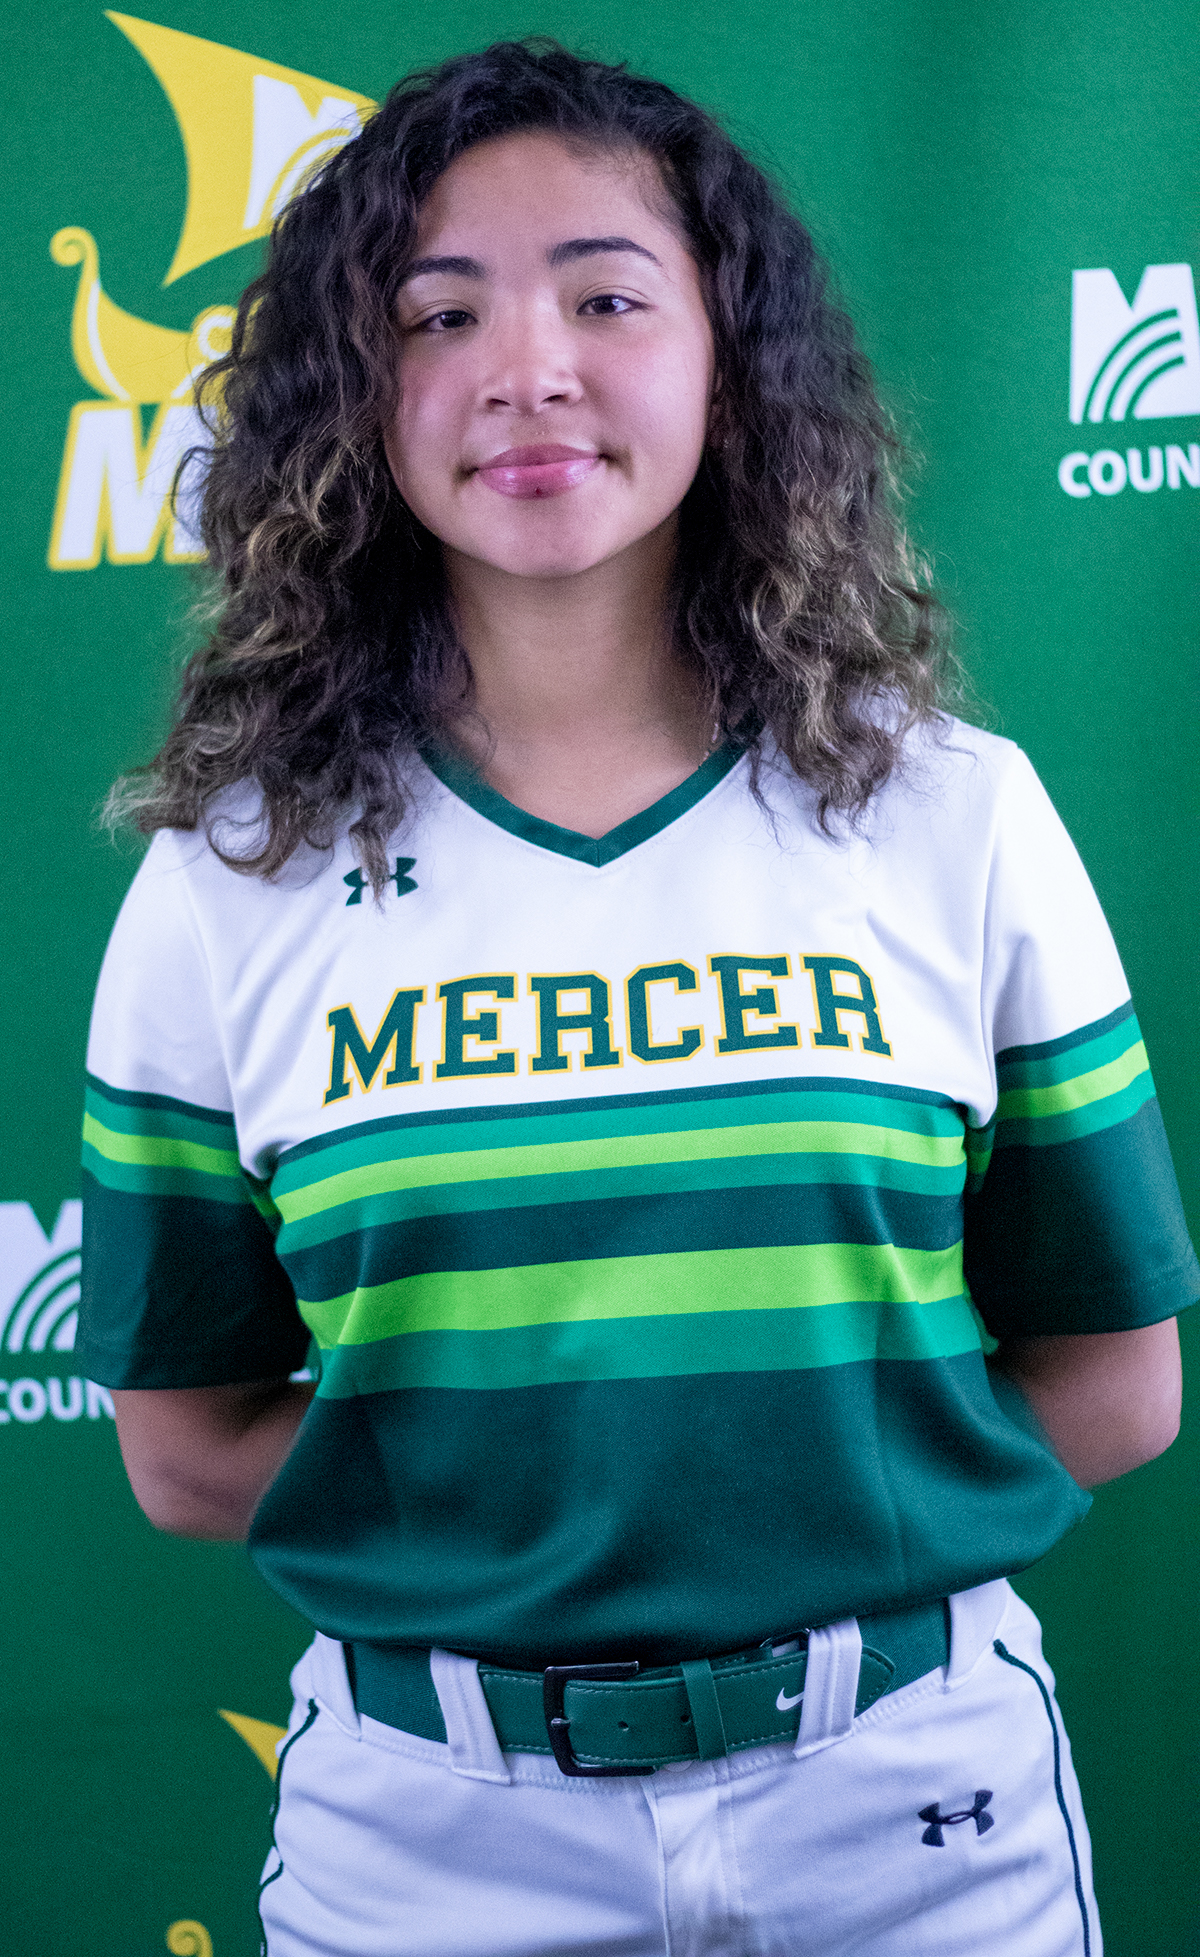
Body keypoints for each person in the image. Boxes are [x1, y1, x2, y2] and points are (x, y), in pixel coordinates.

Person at [78, 40, 1196, 1957]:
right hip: (432, 1839)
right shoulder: (230, 880)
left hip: (917, 1824)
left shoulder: (951, 814)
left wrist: (822, 1538)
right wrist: (514, 1557)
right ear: (353, 396)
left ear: (728, 362)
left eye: (607, 297)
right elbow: (184, 1446)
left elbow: (1115, 1379)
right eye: (440, 315)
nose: (529, 369)